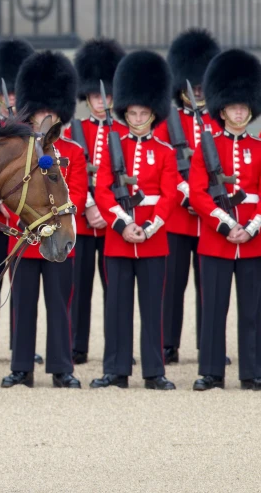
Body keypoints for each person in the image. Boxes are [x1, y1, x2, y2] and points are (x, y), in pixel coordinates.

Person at [91, 51, 178, 390]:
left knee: (152, 308)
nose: (138, 117)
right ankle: (116, 369)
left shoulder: (166, 151)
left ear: (153, 113)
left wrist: (150, 227)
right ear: (124, 112)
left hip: (153, 239)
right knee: (117, 307)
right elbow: (102, 191)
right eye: (132, 112)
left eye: (143, 112)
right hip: (118, 238)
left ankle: (154, 371)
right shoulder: (116, 148)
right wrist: (123, 225)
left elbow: (169, 196)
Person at [1, 51, 87, 389]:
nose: (45, 118)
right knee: (22, 305)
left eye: (51, 113)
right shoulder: (17, 151)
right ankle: (21, 367)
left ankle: (62, 367)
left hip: (58, 238)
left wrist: (53, 219)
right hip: (24, 237)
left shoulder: (74, 152)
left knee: (59, 304)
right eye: (40, 113)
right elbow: (7, 194)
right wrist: (26, 220)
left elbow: (75, 192)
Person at [190, 49, 261, 391]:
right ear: (222, 110)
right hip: (216, 241)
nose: (239, 111)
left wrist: (249, 227)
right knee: (214, 310)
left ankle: (252, 370)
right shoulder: (209, 146)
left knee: (252, 312)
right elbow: (198, 192)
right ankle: (211, 371)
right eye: (234, 106)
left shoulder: (259, 147)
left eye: (244, 107)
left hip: (253, 241)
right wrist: (224, 223)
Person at [155, 29, 220, 365]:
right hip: (179, 217)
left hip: (212, 214)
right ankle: (168, 343)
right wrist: (185, 192)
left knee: (210, 287)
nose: (196, 89)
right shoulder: (168, 121)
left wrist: (205, 197)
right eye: (191, 84)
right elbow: (164, 164)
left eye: (200, 83)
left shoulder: (216, 120)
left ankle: (209, 345)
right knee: (173, 284)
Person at [67, 38, 127, 365]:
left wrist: (105, 210)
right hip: (82, 220)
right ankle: (78, 346)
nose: (101, 102)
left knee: (114, 289)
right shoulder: (77, 129)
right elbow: (76, 174)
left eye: (106, 96)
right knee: (79, 289)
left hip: (114, 221)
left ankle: (116, 348)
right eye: (94, 95)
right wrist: (89, 206)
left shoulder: (123, 131)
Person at [0, 37, 35, 365]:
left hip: (20, 219)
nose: (9, 99)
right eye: (5, 94)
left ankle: (20, 345)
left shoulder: (29, 134)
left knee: (20, 286)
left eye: (14, 93)